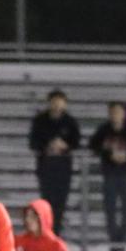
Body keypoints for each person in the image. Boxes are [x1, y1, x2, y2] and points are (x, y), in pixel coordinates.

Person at [90, 101, 126, 247]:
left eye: (118, 112)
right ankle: (113, 237)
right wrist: (109, 155)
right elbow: (93, 146)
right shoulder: (103, 130)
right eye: (113, 112)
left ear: (123, 114)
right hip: (109, 174)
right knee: (110, 208)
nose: (116, 115)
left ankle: (123, 236)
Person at [28, 89, 82, 230]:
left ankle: (56, 230)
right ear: (49, 103)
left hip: (63, 167)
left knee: (61, 201)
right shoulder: (40, 121)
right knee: (47, 200)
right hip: (45, 165)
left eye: (60, 103)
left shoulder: (70, 122)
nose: (57, 106)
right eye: (54, 102)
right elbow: (33, 143)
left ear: (64, 104)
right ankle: (46, 228)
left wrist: (65, 146)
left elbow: (76, 143)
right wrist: (48, 146)